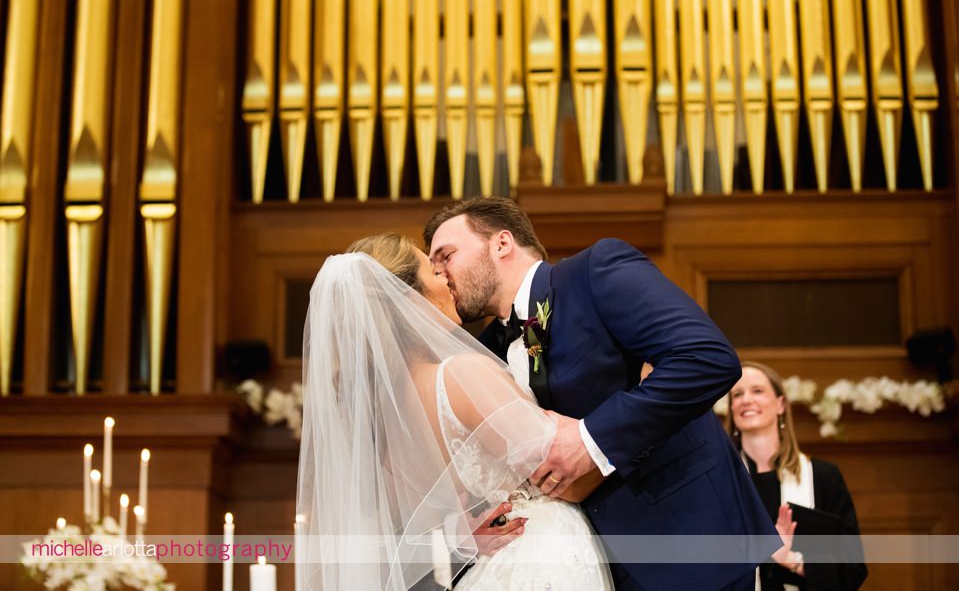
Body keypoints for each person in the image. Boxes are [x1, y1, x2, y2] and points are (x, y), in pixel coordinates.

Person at [424, 197, 779, 591]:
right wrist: (470, 525)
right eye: (433, 267)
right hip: (576, 562)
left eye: (446, 256)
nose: (440, 275)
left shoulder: (594, 273)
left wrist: (591, 438)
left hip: (684, 538)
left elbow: (706, 358)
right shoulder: (481, 352)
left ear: (502, 243)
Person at [296, 232, 614, 590]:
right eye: (434, 273)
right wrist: (622, 421)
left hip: (488, 567)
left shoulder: (380, 420)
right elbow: (569, 479)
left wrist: (457, 534)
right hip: (540, 556)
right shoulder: (461, 375)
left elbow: (402, 531)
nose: (447, 279)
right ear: (410, 301)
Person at [727, 361, 868, 590]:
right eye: (737, 394)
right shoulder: (722, 482)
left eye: (758, 391)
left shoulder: (823, 478)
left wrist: (791, 561)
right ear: (732, 410)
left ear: (780, 404)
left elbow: (852, 568)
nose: (746, 400)